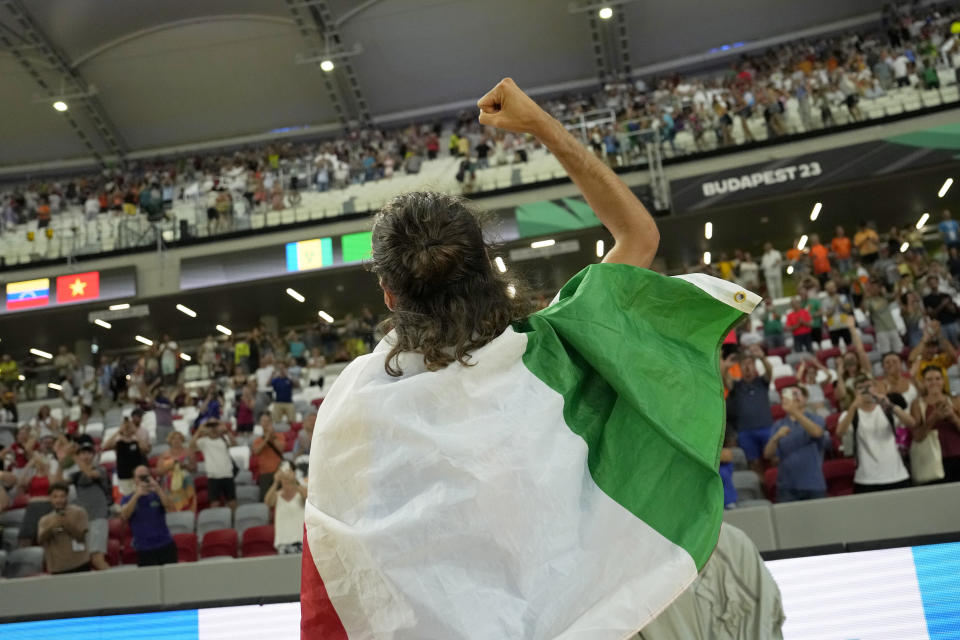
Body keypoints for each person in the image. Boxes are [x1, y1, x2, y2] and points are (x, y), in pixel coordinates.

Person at [301, 77, 759, 639]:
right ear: (487, 269)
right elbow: (636, 235)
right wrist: (541, 125)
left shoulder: (356, 403)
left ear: (389, 295)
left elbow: (345, 558)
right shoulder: (559, 348)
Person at [836, 376, 913, 493]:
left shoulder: (887, 410)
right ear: (855, 392)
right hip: (866, 479)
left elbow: (911, 423)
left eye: (868, 386)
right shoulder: (850, 414)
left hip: (897, 475)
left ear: (876, 389)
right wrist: (853, 406)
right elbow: (839, 432)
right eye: (860, 388)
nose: (865, 390)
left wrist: (890, 405)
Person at [764, 386, 830, 501]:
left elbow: (817, 432)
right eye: (790, 395)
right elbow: (767, 454)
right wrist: (776, 437)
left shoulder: (815, 418)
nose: (793, 397)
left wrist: (794, 411)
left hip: (813, 484)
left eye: (796, 394)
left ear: (804, 399)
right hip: (787, 487)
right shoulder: (778, 425)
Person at [723, 345, 773, 473]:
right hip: (746, 431)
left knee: (774, 459)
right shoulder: (736, 385)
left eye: (750, 363)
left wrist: (762, 358)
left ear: (755, 366)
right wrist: (726, 366)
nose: (747, 367)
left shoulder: (762, 382)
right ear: (739, 367)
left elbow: (769, 370)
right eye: (744, 364)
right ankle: (761, 492)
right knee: (753, 464)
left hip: (766, 428)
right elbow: (724, 378)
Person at [63, 443, 111, 570]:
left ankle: (116, 586)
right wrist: (63, 460)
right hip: (83, 521)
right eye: (82, 453)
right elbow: (57, 484)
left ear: (93, 455)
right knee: (84, 560)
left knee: (97, 559)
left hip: (98, 517)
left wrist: (74, 456)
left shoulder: (101, 470)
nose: (86, 456)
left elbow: (90, 474)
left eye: (89, 453)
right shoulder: (76, 475)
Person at [120, 465, 178, 566]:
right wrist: (136, 495)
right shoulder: (127, 498)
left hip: (165, 544)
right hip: (144, 548)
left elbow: (169, 506)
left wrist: (158, 488)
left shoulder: (157, 494)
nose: (143, 479)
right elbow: (125, 515)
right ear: (134, 479)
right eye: (140, 477)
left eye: (145, 476)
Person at [910, 366, 960, 483]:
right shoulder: (917, 404)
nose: (934, 382)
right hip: (931, 460)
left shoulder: (955, 401)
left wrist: (953, 417)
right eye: (929, 379)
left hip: (957, 455)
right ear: (924, 382)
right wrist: (934, 418)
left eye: (937, 379)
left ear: (943, 381)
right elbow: (917, 437)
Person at [37, 482, 91, 574]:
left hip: (80, 564)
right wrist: (53, 526)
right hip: (57, 568)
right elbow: (40, 540)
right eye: (55, 497)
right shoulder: (45, 520)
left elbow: (81, 537)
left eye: (62, 496)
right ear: (50, 498)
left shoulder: (79, 512)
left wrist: (66, 523)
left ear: (67, 497)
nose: (59, 500)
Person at [190, 419, 236, 511]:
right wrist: (199, 430)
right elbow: (191, 446)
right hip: (213, 476)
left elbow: (234, 444)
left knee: (232, 502)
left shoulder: (224, 438)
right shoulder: (203, 441)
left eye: (215, 425)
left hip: (227, 474)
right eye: (210, 426)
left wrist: (226, 430)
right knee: (214, 503)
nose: (212, 428)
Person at [265, 463, 306, 554]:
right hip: (282, 543)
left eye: (289, 471)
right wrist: (275, 482)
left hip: (301, 542)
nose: (286, 475)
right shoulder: (277, 495)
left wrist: (294, 481)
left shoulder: (300, 492)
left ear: (294, 473)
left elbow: (307, 497)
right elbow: (268, 502)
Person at [103, 415, 150, 495]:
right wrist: (119, 431)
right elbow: (105, 446)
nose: (127, 429)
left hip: (137, 475)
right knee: (128, 496)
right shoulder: (119, 443)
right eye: (126, 427)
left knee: (141, 494)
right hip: (124, 474)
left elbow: (145, 448)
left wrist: (135, 431)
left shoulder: (136, 441)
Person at [909, 321, 957, 393]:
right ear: (922, 347)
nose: (931, 350)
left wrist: (939, 335)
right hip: (926, 397)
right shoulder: (918, 363)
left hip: (945, 396)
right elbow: (911, 359)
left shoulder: (940, 359)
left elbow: (953, 356)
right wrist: (924, 339)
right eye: (928, 346)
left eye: (934, 347)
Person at [863, 281, 903, 354]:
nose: (875, 289)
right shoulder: (868, 301)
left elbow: (896, 295)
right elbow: (865, 310)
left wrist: (899, 283)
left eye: (877, 287)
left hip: (892, 327)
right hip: (881, 330)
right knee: (886, 353)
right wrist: (865, 295)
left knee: (898, 350)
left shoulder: (885, 298)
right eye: (873, 288)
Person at [252, 415, 286, 499]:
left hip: (278, 472)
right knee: (266, 498)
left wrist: (272, 437)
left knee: (280, 497)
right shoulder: (257, 440)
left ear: (271, 423)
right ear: (260, 424)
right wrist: (266, 439)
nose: (266, 423)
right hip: (264, 474)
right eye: (263, 421)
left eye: (267, 421)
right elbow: (256, 451)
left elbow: (281, 449)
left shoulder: (279, 436)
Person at [923, 276, 960, 347]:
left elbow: (954, 311)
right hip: (940, 326)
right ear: (928, 285)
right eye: (931, 283)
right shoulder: (927, 299)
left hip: (952, 323)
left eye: (934, 282)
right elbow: (932, 314)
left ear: (937, 282)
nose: (933, 284)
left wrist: (949, 306)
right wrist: (942, 305)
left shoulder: (945, 295)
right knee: (946, 346)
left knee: (957, 343)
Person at [821, 280, 853, 347]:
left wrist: (840, 302)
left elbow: (848, 310)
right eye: (829, 288)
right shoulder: (824, 300)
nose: (831, 289)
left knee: (849, 345)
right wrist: (834, 303)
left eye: (832, 287)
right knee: (835, 347)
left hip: (844, 324)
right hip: (833, 327)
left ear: (835, 287)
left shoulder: (843, 297)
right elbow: (827, 314)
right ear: (826, 290)